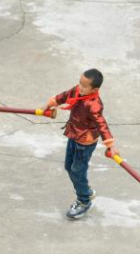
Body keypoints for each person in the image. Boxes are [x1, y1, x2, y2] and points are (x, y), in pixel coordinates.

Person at [41, 69, 116, 219]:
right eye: (80, 83)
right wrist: (50, 103)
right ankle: (86, 191)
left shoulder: (94, 105)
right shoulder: (77, 91)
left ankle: (84, 201)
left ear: (94, 89)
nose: (80, 87)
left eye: (84, 86)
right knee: (69, 166)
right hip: (73, 134)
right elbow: (64, 96)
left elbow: (102, 124)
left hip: (85, 142)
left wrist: (110, 145)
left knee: (77, 170)